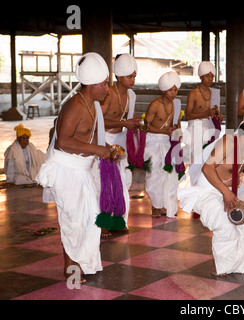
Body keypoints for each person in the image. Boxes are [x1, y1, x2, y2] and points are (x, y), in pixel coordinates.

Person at [35, 52, 111, 284]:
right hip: (66, 170)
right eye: (105, 84)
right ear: (91, 85)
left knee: (88, 217)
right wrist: (98, 151)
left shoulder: (91, 104)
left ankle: (84, 262)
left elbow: (85, 139)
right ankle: (70, 267)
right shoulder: (74, 106)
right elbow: (63, 141)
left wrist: (105, 147)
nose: (107, 88)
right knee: (72, 219)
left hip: (80, 168)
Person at [178, 120, 244, 276]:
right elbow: (207, 168)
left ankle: (237, 262)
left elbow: (237, 169)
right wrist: (226, 192)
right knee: (225, 223)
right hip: (208, 191)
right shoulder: (228, 142)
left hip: (229, 190)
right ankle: (219, 265)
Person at [100, 53, 139, 236]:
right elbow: (98, 122)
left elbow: (127, 120)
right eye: (129, 76)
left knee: (122, 183)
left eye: (134, 76)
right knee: (104, 184)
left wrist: (134, 124)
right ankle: (102, 224)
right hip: (104, 141)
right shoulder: (107, 94)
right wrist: (124, 124)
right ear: (118, 76)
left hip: (119, 142)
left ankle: (119, 220)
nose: (132, 80)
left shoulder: (131, 95)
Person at [144, 71, 183, 218]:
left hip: (168, 142)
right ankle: (155, 205)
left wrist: (177, 132)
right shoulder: (155, 104)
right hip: (153, 141)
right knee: (154, 173)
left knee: (168, 174)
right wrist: (163, 131)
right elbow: (145, 126)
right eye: (170, 90)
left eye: (175, 90)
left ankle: (166, 204)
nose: (173, 93)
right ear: (163, 89)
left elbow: (177, 124)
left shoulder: (177, 104)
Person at [185, 61, 223, 165]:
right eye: (207, 76)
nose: (210, 79)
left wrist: (218, 118)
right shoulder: (193, 94)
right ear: (201, 76)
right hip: (196, 128)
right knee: (196, 161)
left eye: (212, 76)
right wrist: (206, 113)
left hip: (209, 128)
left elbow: (215, 114)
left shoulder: (214, 93)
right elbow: (188, 116)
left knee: (207, 160)